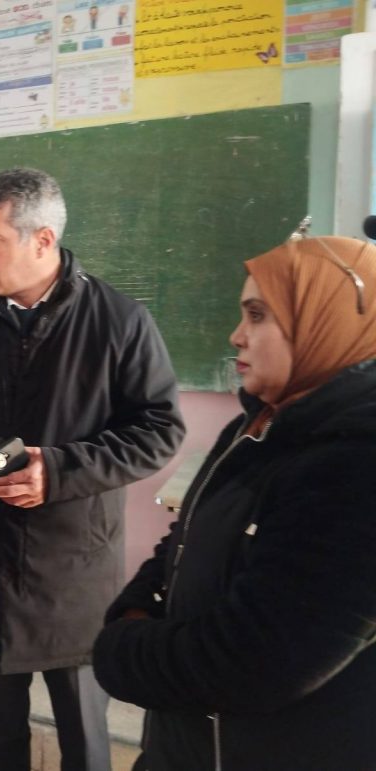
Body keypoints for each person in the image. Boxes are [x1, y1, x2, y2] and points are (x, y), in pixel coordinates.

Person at [0, 168, 184, 771]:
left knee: (84, 740)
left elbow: (160, 431)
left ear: (42, 240)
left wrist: (60, 470)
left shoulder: (118, 321)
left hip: (73, 574)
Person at [93, 234, 376, 770]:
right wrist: (134, 605)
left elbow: (254, 661)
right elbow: (185, 534)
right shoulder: (259, 423)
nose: (237, 335)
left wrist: (118, 650)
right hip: (188, 748)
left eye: (257, 316)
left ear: (323, 322)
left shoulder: (357, 462)